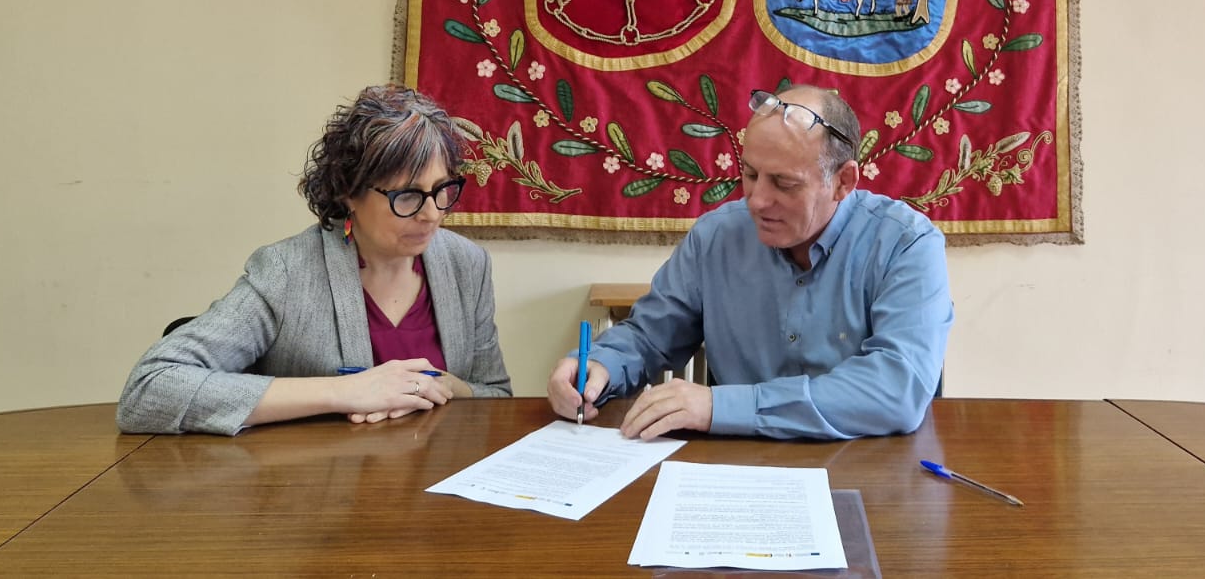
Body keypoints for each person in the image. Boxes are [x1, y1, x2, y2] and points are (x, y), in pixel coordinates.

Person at [547, 84, 952, 441]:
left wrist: (722, 407)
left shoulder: (906, 244)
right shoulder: (715, 237)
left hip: (868, 467)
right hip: (739, 468)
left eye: (784, 183)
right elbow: (650, 337)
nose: (757, 201)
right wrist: (600, 366)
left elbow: (896, 389)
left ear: (843, 181)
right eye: (751, 174)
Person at [118, 84, 511, 435]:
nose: (432, 214)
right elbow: (150, 388)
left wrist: (451, 388)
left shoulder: (467, 264)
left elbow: (497, 398)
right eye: (406, 195)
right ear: (348, 192)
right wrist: (344, 392)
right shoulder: (287, 270)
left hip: (441, 485)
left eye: (443, 189)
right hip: (320, 485)